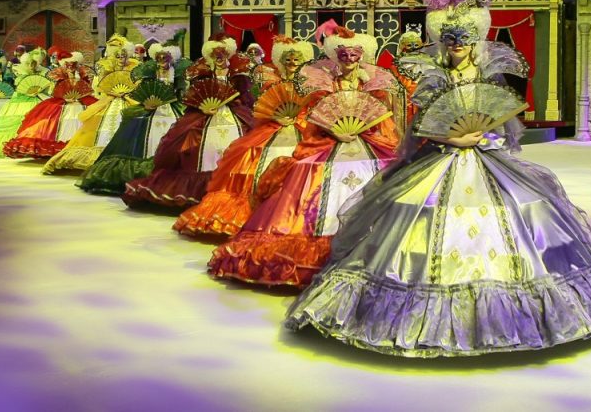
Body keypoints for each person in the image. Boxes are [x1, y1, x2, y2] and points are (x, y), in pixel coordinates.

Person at [284, 0, 591, 356]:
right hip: (443, 158)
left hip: (485, 158)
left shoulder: (488, 76)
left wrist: (483, 135)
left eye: (465, 38)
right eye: (451, 38)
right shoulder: (434, 76)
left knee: (514, 217)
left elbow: (502, 122)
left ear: (476, 40)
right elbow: (423, 124)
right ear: (442, 40)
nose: (457, 44)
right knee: (420, 218)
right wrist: (453, 139)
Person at [208, 24, 400, 288]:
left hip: (365, 143)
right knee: (307, 177)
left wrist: (363, 129)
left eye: (354, 55)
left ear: (362, 56)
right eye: (343, 55)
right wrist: (334, 130)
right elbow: (315, 114)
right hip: (330, 140)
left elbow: (380, 119)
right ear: (335, 57)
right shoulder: (324, 83)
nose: (349, 61)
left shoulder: (372, 84)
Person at [174, 35, 315, 238]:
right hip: (273, 127)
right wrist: (276, 116)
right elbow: (263, 107)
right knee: (246, 154)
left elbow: (312, 108)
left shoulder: (309, 83)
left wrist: (299, 119)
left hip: (302, 128)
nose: (292, 63)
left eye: (296, 60)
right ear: (280, 60)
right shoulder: (271, 80)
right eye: (288, 59)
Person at [121, 33, 254, 211]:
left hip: (232, 114)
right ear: (210, 56)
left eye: (222, 54)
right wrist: (203, 107)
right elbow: (195, 94)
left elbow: (243, 97)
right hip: (205, 113)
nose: (219, 58)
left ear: (228, 55)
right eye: (215, 55)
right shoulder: (203, 74)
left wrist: (231, 102)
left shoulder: (238, 76)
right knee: (188, 139)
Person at [77, 42, 189, 192]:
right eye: (159, 58)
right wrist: (146, 103)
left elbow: (181, 93)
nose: (162, 61)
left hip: (170, 108)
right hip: (150, 108)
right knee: (133, 123)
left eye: (165, 58)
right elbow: (144, 90)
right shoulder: (150, 72)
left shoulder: (177, 74)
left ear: (172, 58)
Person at [41, 37, 139, 174]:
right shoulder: (107, 67)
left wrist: (126, 92)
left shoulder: (134, 67)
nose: (121, 59)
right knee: (97, 125)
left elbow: (136, 84)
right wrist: (113, 92)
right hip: (109, 100)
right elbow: (103, 86)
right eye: (118, 56)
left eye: (123, 56)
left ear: (127, 55)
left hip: (127, 100)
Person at [2, 50, 96, 159]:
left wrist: (80, 94)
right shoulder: (59, 73)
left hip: (81, 101)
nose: (71, 67)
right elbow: (55, 90)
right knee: (47, 120)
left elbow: (86, 88)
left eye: (73, 64)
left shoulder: (82, 73)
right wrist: (64, 97)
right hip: (62, 101)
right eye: (68, 65)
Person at [0, 48, 52, 157]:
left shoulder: (44, 71)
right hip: (19, 100)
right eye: (29, 63)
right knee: (12, 121)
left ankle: (30, 147)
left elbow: (47, 87)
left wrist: (40, 92)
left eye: (34, 63)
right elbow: (20, 87)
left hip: (38, 99)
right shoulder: (20, 70)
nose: (31, 66)